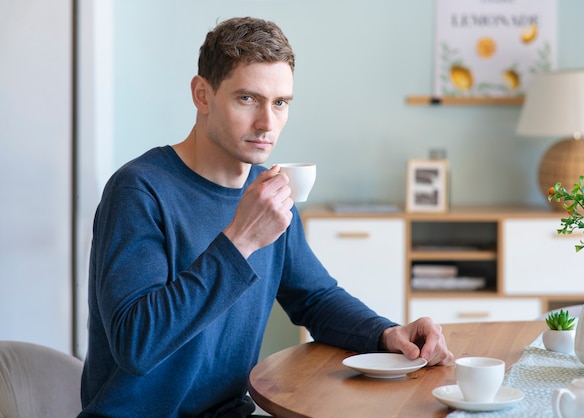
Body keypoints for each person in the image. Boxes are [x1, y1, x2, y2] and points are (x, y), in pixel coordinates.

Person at [79, 16, 454, 417]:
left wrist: (384, 332)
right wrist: (241, 239)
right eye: (247, 99)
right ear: (202, 95)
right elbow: (137, 345)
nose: (267, 123)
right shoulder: (139, 191)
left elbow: (315, 298)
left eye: (280, 103)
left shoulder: (267, 190)